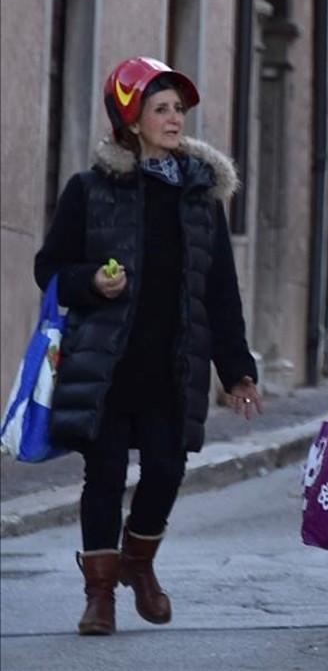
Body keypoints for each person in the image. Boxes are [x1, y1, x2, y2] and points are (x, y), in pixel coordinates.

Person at [34, 56, 262, 636]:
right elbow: (50, 268)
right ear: (132, 120)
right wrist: (91, 281)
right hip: (107, 364)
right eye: (160, 108)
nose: (175, 118)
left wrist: (236, 370)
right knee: (104, 474)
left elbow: (221, 293)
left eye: (178, 109)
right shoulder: (90, 190)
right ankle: (100, 595)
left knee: (165, 469)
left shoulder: (200, 199)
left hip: (172, 365)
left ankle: (138, 562)